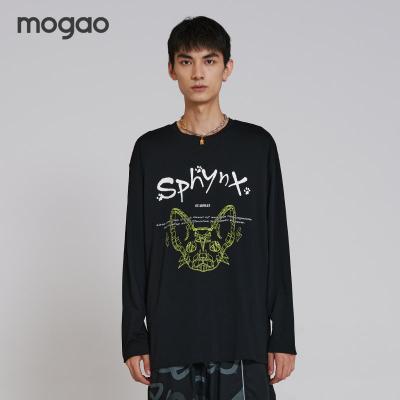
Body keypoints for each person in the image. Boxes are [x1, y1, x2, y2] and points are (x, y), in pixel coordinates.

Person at [121, 15, 297, 399]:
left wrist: (282, 334)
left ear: (227, 68)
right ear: (172, 70)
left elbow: (276, 242)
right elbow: (136, 248)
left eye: (209, 60)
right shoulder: (150, 150)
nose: (198, 73)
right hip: (172, 341)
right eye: (186, 61)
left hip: (244, 341)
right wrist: (134, 337)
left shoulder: (257, 146)